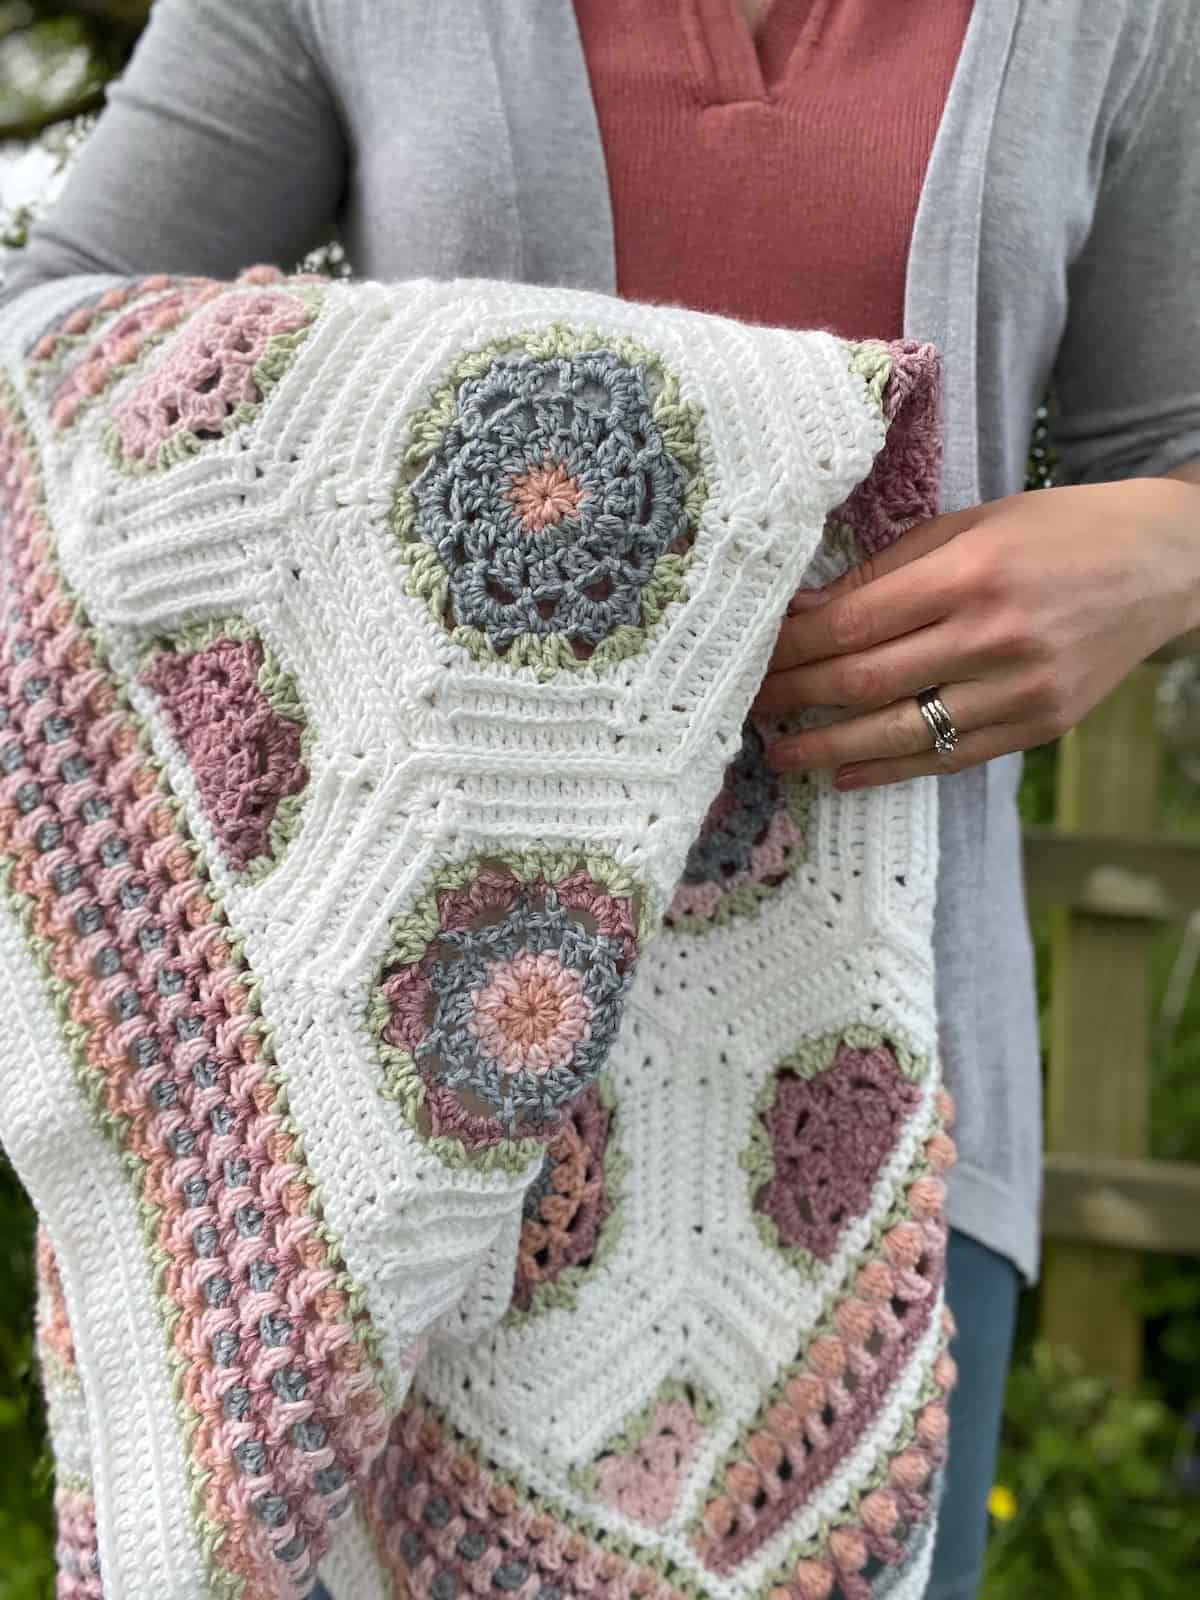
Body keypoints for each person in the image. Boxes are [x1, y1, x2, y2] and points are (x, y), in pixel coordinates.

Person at [6, 3, 1200, 1596]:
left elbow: (1178, 448)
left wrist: (1159, 550)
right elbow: (43, 350)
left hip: (873, 1123)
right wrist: (469, 444)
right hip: (389, 1117)